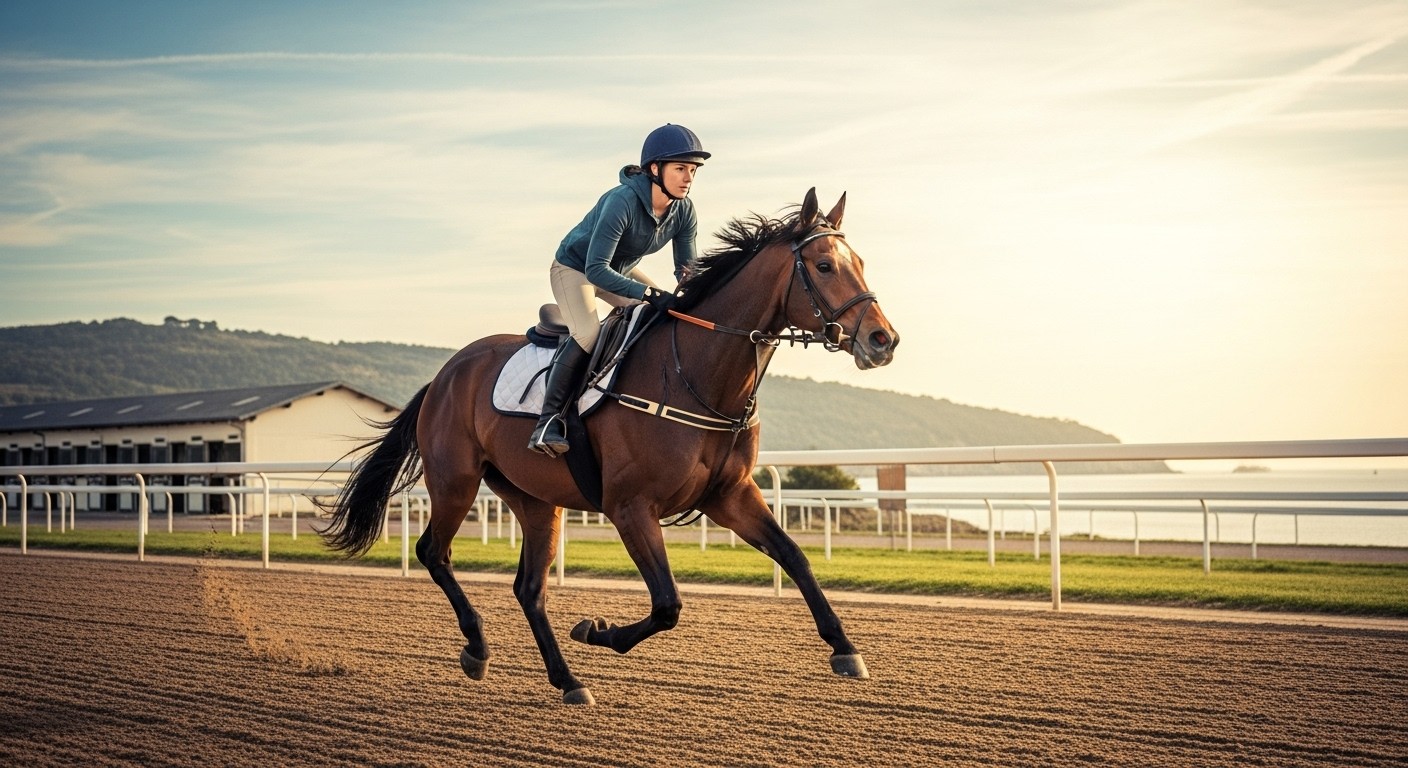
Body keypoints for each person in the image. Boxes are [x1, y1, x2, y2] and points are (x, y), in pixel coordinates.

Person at [527, 123, 710, 456]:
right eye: (681, 168)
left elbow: (687, 270)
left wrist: (699, 295)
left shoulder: (684, 210)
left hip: (619, 269)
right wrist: (648, 294)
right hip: (575, 268)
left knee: (665, 314)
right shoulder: (622, 201)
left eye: (693, 170)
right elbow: (596, 269)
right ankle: (548, 421)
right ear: (655, 169)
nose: (689, 178)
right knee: (587, 333)